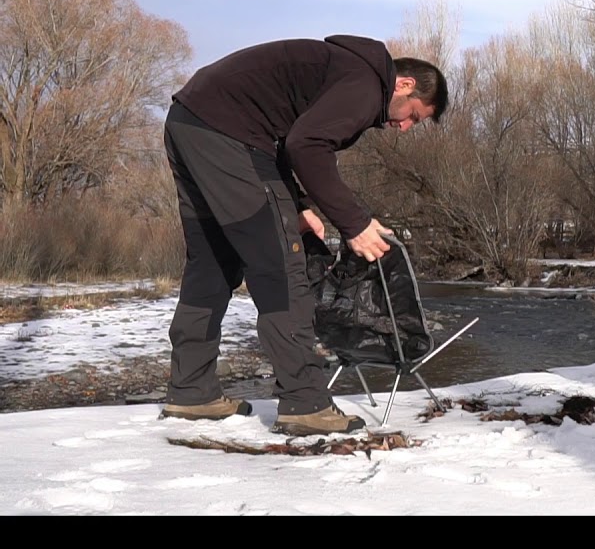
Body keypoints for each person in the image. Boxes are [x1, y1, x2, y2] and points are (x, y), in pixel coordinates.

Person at [157, 34, 448, 436]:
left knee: (212, 263)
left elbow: (284, 136)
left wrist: (297, 206)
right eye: (414, 116)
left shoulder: (344, 70)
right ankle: (305, 402)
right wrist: (356, 224)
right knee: (280, 267)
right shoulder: (367, 84)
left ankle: (191, 390)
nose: (404, 128)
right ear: (405, 85)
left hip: (189, 122)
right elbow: (306, 145)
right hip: (230, 134)